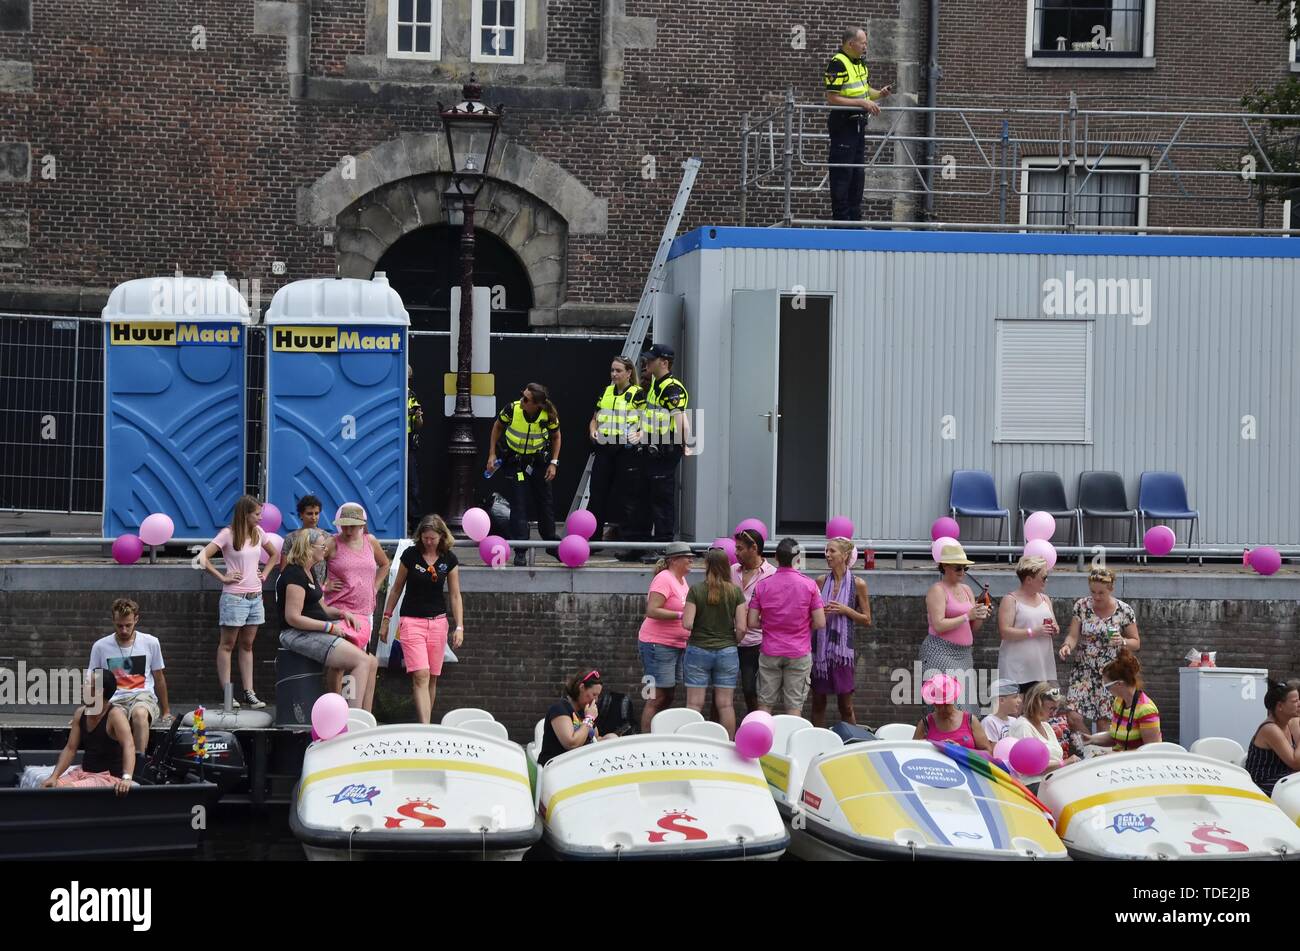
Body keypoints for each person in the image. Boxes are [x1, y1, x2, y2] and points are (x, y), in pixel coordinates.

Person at [276, 529, 377, 711]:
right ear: (308, 548)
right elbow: (292, 618)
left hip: (313, 630)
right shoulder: (294, 575)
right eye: (321, 546)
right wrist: (329, 628)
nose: (325, 549)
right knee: (361, 661)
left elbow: (322, 608)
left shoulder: (310, 572)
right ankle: (353, 715)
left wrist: (341, 614)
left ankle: (366, 715)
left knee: (371, 661)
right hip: (297, 634)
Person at [380, 514, 464, 724]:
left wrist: (459, 626)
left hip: (438, 622)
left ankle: (424, 723)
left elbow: (455, 594)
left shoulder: (449, 558)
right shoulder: (410, 555)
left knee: (432, 676)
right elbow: (396, 588)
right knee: (421, 674)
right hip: (412, 621)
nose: (428, 542)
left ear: (441, 537)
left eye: (433, 539)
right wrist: (386, 618)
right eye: (425, 538)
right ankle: (425, 727)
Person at [199, 494, 278, 709]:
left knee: (247, 644)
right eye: (257, 514)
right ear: (245, 514)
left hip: (255, 596)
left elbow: (275, 555)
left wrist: (266, 573)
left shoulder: (259, 533)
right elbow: (201, 558)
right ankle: (227, 693)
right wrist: (223, 576)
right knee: (227, 644)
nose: (261, 518)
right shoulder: (227, 534)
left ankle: (249, 692)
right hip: (234, 597)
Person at [322, 502, 390, 712]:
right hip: (340, 610)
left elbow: (384, 564)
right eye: (344, 526)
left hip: (365, 610)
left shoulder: (370, 541)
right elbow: (309, 564)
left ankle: (359, 711)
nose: (348, 530)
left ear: (362, 525)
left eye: (352, 526)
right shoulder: (332, 543)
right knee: (340, 662)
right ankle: (336, 707)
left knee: (363, 661)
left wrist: (375, 586)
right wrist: (324, 585)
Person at [748, 538, 826, 717]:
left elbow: (752, 622)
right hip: (799, 651)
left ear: (776, 557)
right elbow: (820, 622)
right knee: (794, 707)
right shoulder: (809, 585)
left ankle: (762, 741)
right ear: (797, 559)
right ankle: (792, 742)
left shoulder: (762, 585)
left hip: (770, 650)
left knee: (765, 705)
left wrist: (768, 625)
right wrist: (803, 626)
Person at [626, 344, 689, 560]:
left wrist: (684, 443)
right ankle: (638, 547)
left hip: (664, 451)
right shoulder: (656, 384)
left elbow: (680, 417)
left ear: (664, 362)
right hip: (651, 449)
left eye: (651, 360)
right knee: (641, 498)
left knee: (661, 501)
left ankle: (664, 550)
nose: (647, 363)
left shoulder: (672, 387)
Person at [487, 383, 561, 567]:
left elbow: (556, 437)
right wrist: (492, 453)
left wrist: (553, 463)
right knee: (519, 505)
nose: (522, 400)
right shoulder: (512, 409)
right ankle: (520, 550)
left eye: (526, 399)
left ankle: (551, 543)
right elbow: (497, 427)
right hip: (516, 463)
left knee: (545, 502)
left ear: (537, 404)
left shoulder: (548, 415)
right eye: (522, 395)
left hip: (538, 464)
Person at [824, 27, 893, 222]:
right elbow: (832, 98)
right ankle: (842, 222)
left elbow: (864, 90)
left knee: (857, 174)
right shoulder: (837, 64)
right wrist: (862, 103)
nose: (865, 46)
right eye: (862, 42)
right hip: (843, 124)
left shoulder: (860, 63)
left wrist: (879, 93)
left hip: (858, 125)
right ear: (850, 43)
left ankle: (855, 220)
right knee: (842, 173)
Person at [1059, 567, 1140, 734]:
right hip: (1084, 670)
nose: (1096, 597)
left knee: (1104, 723)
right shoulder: (1081, 606)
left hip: (1110, 672)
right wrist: (1067, 646)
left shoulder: (1124, 610)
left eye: (1101, 593)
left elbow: (1136, 643)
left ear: (1111, 589)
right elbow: (1073, 636)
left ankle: (1101, 755)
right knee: (1072, 716)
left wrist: (1122, 641)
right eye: (1093, 592)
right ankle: (1090, 749)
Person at [86, 598, 170, 753]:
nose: (124, 630)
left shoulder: (151, 642)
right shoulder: (100, 646)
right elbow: (91, 680)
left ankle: (139, 763)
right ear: (113, 620)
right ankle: (120, 763)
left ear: (136, 619)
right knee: (118, 719)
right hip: (115, 699)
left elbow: (159, 677)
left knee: (139, 714)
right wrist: (87, 712)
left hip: (143, 696)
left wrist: (166, 712)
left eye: (128, 625)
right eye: (119, 626)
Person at [682, 548, 748, 738]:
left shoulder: (696, 590)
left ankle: (690, 741)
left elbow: (687, 623)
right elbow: (742, 628)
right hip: (727, 651)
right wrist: (731, 642)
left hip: (698, 650)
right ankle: (727, 745)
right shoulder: (735, 592)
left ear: (707, 565)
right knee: (725, 704)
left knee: (694, 704)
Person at [921, 542, 991, 713]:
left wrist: (981, 615)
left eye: (965, 568)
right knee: (951, 703)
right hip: (941, 651)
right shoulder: (937, 590)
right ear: (945, 566)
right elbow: (938, 625)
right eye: (958, 568)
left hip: (964, 654)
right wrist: (968, 615)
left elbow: (972, 627)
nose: (962, 572)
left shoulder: (967, 589)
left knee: (967, 705)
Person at [43, 669, 135, 795]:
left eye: (86, 683)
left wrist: (127, 778)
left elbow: (129, 746)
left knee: (65, 792)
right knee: (46, 789)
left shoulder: (115, 716)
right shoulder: (80, 713)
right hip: (84, 773)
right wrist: (54, 777)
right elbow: (70, 749)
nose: (82, 687)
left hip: (108, 777)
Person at [811, 537, 871, 728]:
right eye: (826, 551)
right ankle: (817, 742)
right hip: (820, 651)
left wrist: (845, 610)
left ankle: (852, 744)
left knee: (845, 706)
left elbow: (867, 619)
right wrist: (821, 612)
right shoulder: (820, 581)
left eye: (832, 551)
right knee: (818, 702)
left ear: (845, 556)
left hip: (842, 654)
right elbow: (810, 615)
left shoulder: (858, 584)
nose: (827, 555)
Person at [637, 541, 694, 733]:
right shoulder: (664, 579)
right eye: (687, 557)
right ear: (674, 560)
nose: (691, 560)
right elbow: (652, 610)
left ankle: (656, 732)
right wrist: (681, 615)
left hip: (676, 645)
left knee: (668, 694)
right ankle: (646, 739)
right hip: (656, 644)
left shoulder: (681, 579)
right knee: (656, 696)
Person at [587, 355, 642, 543]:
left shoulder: (637, 393)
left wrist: (638, 435)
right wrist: (593, 431)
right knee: (597, 494)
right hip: (604, 448)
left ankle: (628, 542)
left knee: (628, 497)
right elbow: (594, 418)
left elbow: (646, 421)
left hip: (626, 451)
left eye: (618, 370)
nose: (614, 374)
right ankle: (594, 538)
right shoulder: (606, 391)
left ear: (628, 373)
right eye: (612, 370)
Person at [997, 555, 1058, 695]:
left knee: (1041, 711)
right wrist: (1033, 632)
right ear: (1029, 580)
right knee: (1015, 711)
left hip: (1042, 664)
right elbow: (1004, 632)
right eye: (1043, 577)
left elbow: (1055, 625)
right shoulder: (1010, 600)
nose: (1046, 580)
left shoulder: (1045, 599)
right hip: (1017, 668)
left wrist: (1054, 629)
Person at [731, 527, 776, 714]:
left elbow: (776, 608)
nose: (735, 552)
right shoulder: (732, 570)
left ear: (754, 548)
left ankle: (756, 726)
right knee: (721, 690)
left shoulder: (772, 574)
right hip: (729, 639)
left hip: (755, 642)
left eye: (740, 548)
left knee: (751, 689)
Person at [1081, 653, 1161, 752]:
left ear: (1119, 684)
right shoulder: (1119, 702)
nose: (1106, 690)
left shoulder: (1146, 710)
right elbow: (1116, 737)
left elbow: (1151, 751)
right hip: (1119, 762)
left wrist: (1115, 756)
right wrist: (1092, 739)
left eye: (1107, 687)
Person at [538, 669, 619, 766]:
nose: (596, 700)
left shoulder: (584, 711)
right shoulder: (559, 709)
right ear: (582, 687)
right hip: (557, 766)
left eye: (598, 696)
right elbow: (572, 744)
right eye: (594, 695)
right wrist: (589, 719)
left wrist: (609, 739)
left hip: (580, 764)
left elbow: (594, 738)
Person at [1009, 683, 1078, 779]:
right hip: (1033, 785)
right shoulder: (1023, 726)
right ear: (1037, 704)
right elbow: (1029, 767)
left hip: (1054, 781)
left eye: (1056, 709)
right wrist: (1065, 763)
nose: (1054, 713)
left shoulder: (1046, 726)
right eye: (1051, 708)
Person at [912, 673, 994, 754]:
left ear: (953, 699)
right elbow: (912, 753)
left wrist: (960, 750)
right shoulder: (925, 724)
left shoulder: (970, 720)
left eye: (947, 704)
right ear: (933, 703)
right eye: (939, 705)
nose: (943, 709)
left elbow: (988, 753)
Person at [1244, 681, 1300, 796]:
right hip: (1263, 786)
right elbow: (1295, 762)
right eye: (1295, 701)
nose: (1299, 704)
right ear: (1280, 706)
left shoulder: (1291, 722)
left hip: (1284, 780)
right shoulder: (1270, 729)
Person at [281, 494, 326, 585]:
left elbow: (333, 565)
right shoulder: (290, 538)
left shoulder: (327, 537)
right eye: (309, 513)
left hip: (319, 590)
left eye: (316, 513)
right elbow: (283, 568)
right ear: (301, 515)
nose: (313, 517)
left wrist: (327, 584)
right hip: (296, 585)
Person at [407, 365, 424, 533]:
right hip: (392, 443)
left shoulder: (411, 395)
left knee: (414, 486)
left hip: (409, 444)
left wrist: (417, 416)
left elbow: (419, 425)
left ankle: (415, 523)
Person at [982, 679, 1023, 744]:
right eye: (1015, 697)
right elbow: (992, 749)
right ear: (1001, 700)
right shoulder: (989, 722)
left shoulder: (1014, 720)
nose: (1020, 700)